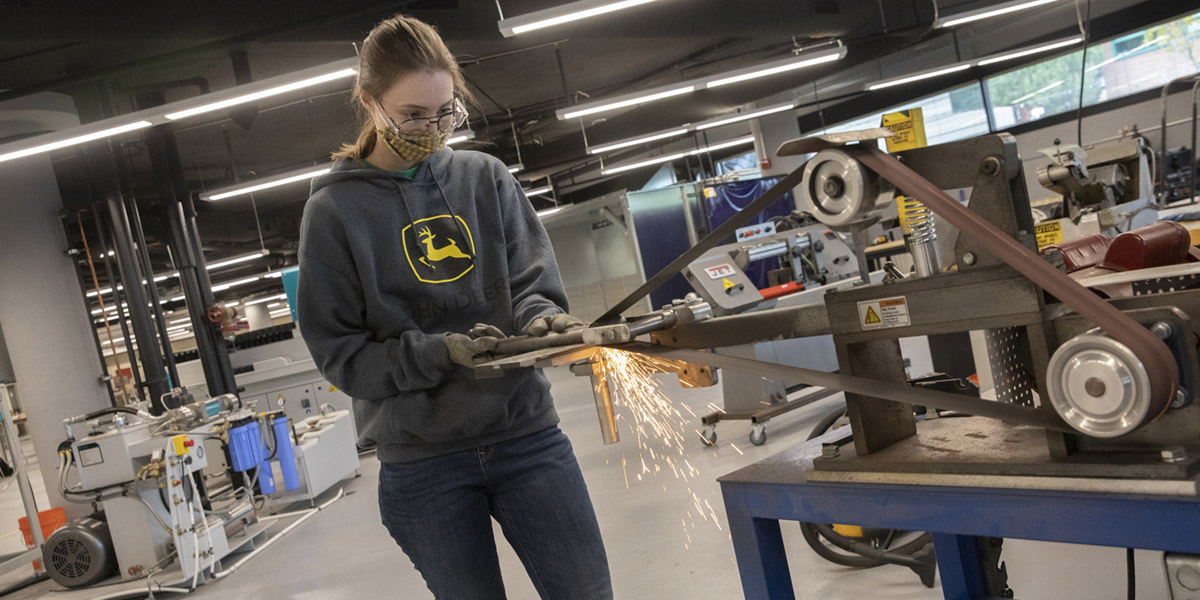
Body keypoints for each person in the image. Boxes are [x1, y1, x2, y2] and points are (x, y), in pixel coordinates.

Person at [296, 14, 612, 600]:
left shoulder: (484, 179)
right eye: (413, 114)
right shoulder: (334, 214)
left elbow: (530, 281)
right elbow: (343, 358)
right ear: (369, 102)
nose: (431, 128)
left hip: (526, 438)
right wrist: (437, 355)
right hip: (424, 463)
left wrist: (540, 319)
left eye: (445, 112)